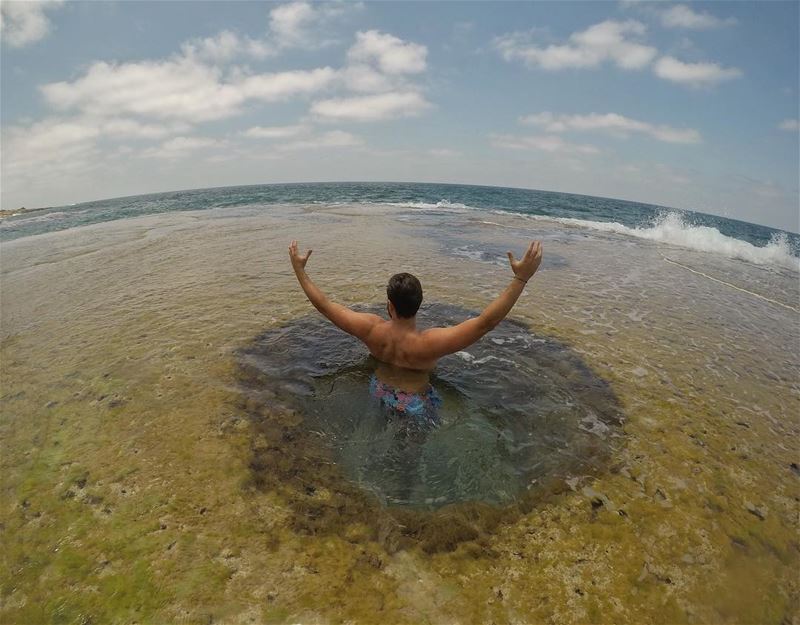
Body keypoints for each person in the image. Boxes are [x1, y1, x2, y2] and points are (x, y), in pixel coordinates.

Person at [288, 239, 543, 424]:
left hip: (378, 390)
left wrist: (299, 270)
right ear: (420, 304)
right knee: (409, 458)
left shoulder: (371, 330)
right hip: (416, 402)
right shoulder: (429, 344)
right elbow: (485, 322)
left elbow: (324, 305)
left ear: (389, 305)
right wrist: (521, 279)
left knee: (377, 432)